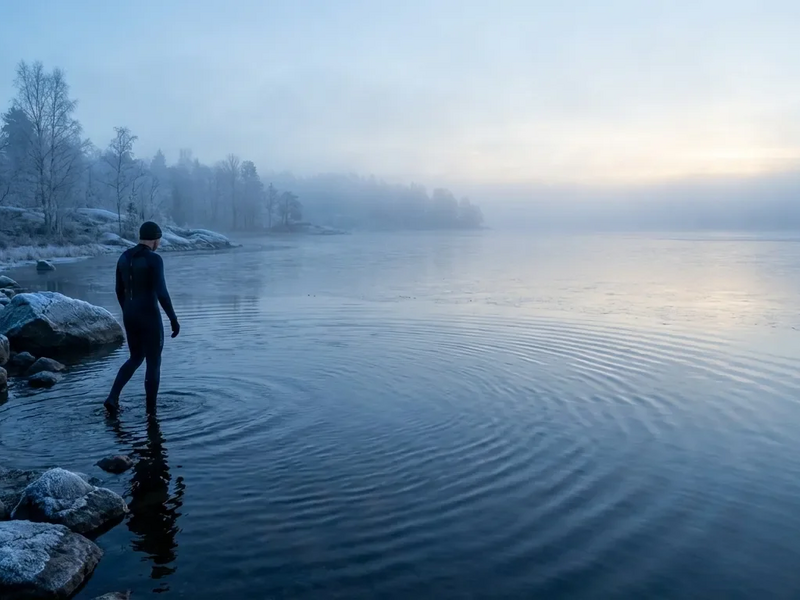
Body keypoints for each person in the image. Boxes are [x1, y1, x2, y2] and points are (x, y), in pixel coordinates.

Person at [104, 221, 180, 412]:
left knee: (136, 357)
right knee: (153, 362)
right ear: (155, 239)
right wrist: (173, 318)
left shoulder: (124, 257)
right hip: (149, 316)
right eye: (159, 240)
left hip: (130, 315)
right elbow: (162, 292)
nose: (159, 243)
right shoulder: (154, 259)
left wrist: (128, 311)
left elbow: (118, 290)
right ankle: (151, 412)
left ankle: (112, 398)